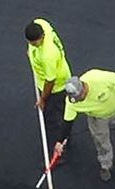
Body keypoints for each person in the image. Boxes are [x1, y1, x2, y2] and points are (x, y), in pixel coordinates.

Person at [62, 70, 115, 180]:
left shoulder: (97, 78)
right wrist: (60, 141)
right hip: (97, 119)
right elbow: (67, 122)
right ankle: (106, 165)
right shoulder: (72, 102)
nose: (78, 101)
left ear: (83, 88)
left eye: (79, 97)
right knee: (101, 141)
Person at [26, 19, 73, 150]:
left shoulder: (48, 55)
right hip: (61, 75)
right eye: (30, 43)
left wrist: (43, 99)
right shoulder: (41, 23)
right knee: (63, 112)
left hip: (57, 88)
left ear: (42, 37)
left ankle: (57, 151)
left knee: (53, 121)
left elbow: (50, 80)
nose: (32, 45)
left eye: (35, 43)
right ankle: (65, 137)